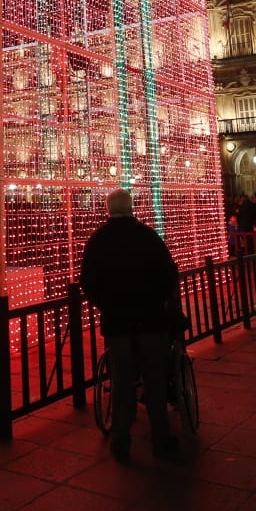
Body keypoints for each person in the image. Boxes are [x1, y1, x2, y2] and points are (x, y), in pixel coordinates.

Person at [79, 189, 181, 464]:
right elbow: (169, 275)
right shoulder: (148, 236)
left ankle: (121, 441)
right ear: (132, 207)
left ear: (107, 209)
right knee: (155, 381)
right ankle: (161, 440)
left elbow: (87, 280)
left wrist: (106, 304)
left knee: (122, 383)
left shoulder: (98, 240)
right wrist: (156, 300)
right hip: (150, 321)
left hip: (118, 323)